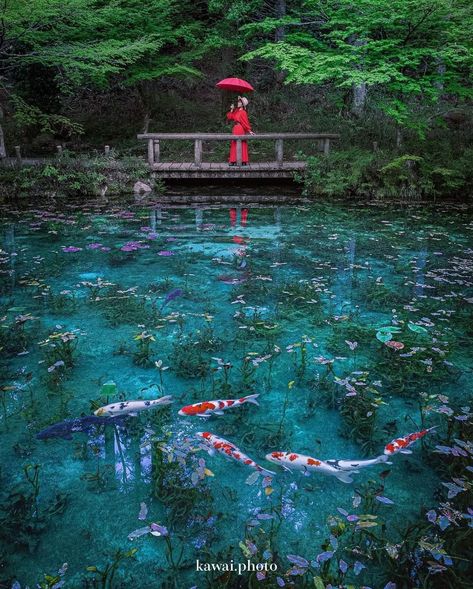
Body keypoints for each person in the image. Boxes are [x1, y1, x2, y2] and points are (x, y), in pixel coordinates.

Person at [226, 96, 255, 165]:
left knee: (241, 143)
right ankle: (233, 160)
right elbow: (230, 117)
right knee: (234, 143)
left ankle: (243, 160)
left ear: (242, 104)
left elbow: (245, 122)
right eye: (238, 102)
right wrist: (232, 110)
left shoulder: (243, 112)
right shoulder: (237, 111)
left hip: (240, 128)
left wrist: (249, 130)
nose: (238, 103)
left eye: (239, 102)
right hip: (235, 128)